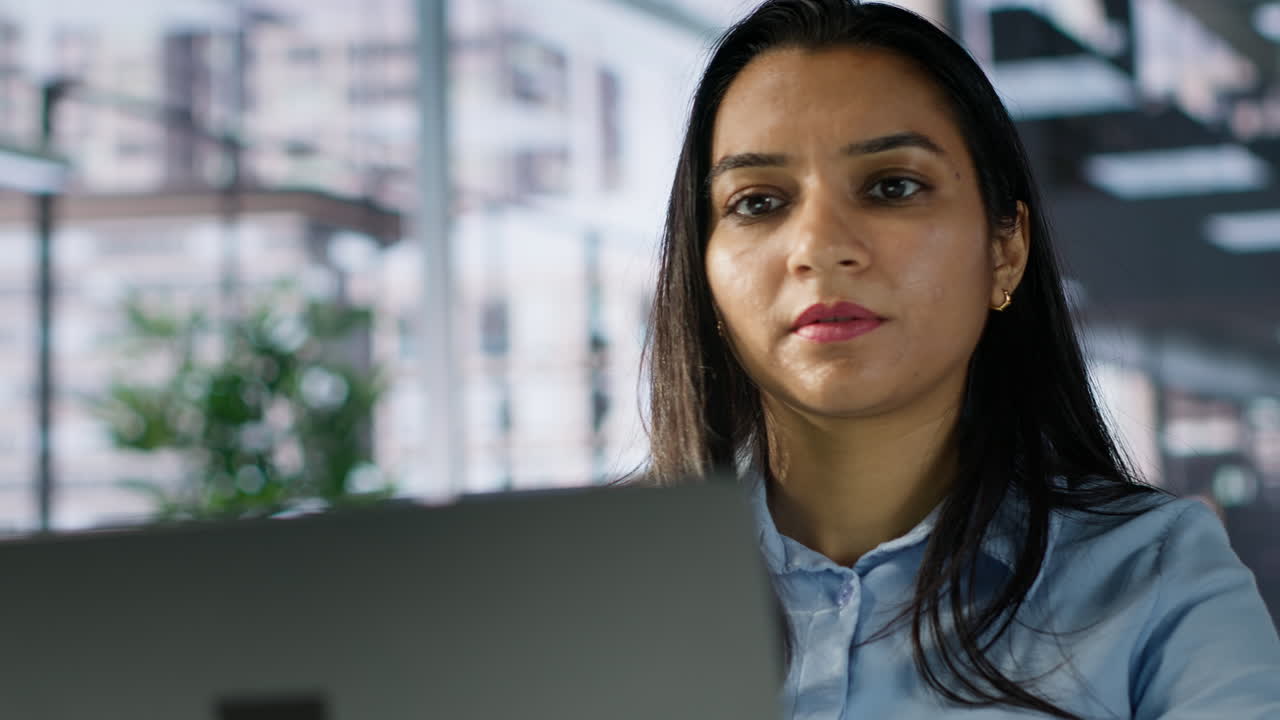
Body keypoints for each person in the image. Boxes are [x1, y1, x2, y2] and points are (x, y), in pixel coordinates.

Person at [636, 0, 1280, 717]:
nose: (817, 246)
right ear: (703, 269)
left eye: (892, 186)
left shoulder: (1157, 576)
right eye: (757, 202)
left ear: (1005, 251)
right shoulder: (581, 583)